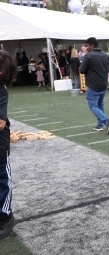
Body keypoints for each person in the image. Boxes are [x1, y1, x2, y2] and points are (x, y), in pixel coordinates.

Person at [79, 37, 109, 135]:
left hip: (93, 84)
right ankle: (99, 125)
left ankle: (106, 121)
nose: (86, 48)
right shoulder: (106, 56)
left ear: (92, 45)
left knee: (93, 106)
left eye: (87, 46)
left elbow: (82, 70)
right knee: (100, 104)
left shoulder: (88, 56)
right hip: (103, 84)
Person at [0, 50, 16, 239]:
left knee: (2, 181)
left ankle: (6, 216)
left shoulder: (1, 90)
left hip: (0, 147)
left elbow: (1, 123)